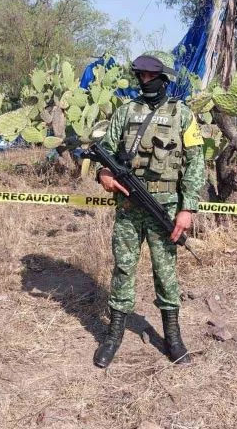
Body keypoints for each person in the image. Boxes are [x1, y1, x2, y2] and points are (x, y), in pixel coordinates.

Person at [93, 54, 205, 368]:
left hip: (165, 207)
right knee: (124, 269)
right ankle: (113, 335)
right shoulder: (125, 112)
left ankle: (172, 336)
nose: (144, 81)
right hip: (129, 206)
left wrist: (188, 208)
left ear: (161, 78)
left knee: (165, 273)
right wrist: (104, 175)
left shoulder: (182, 115)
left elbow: (196, 163)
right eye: (139, 76)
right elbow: (107, 153)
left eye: (148, 76)